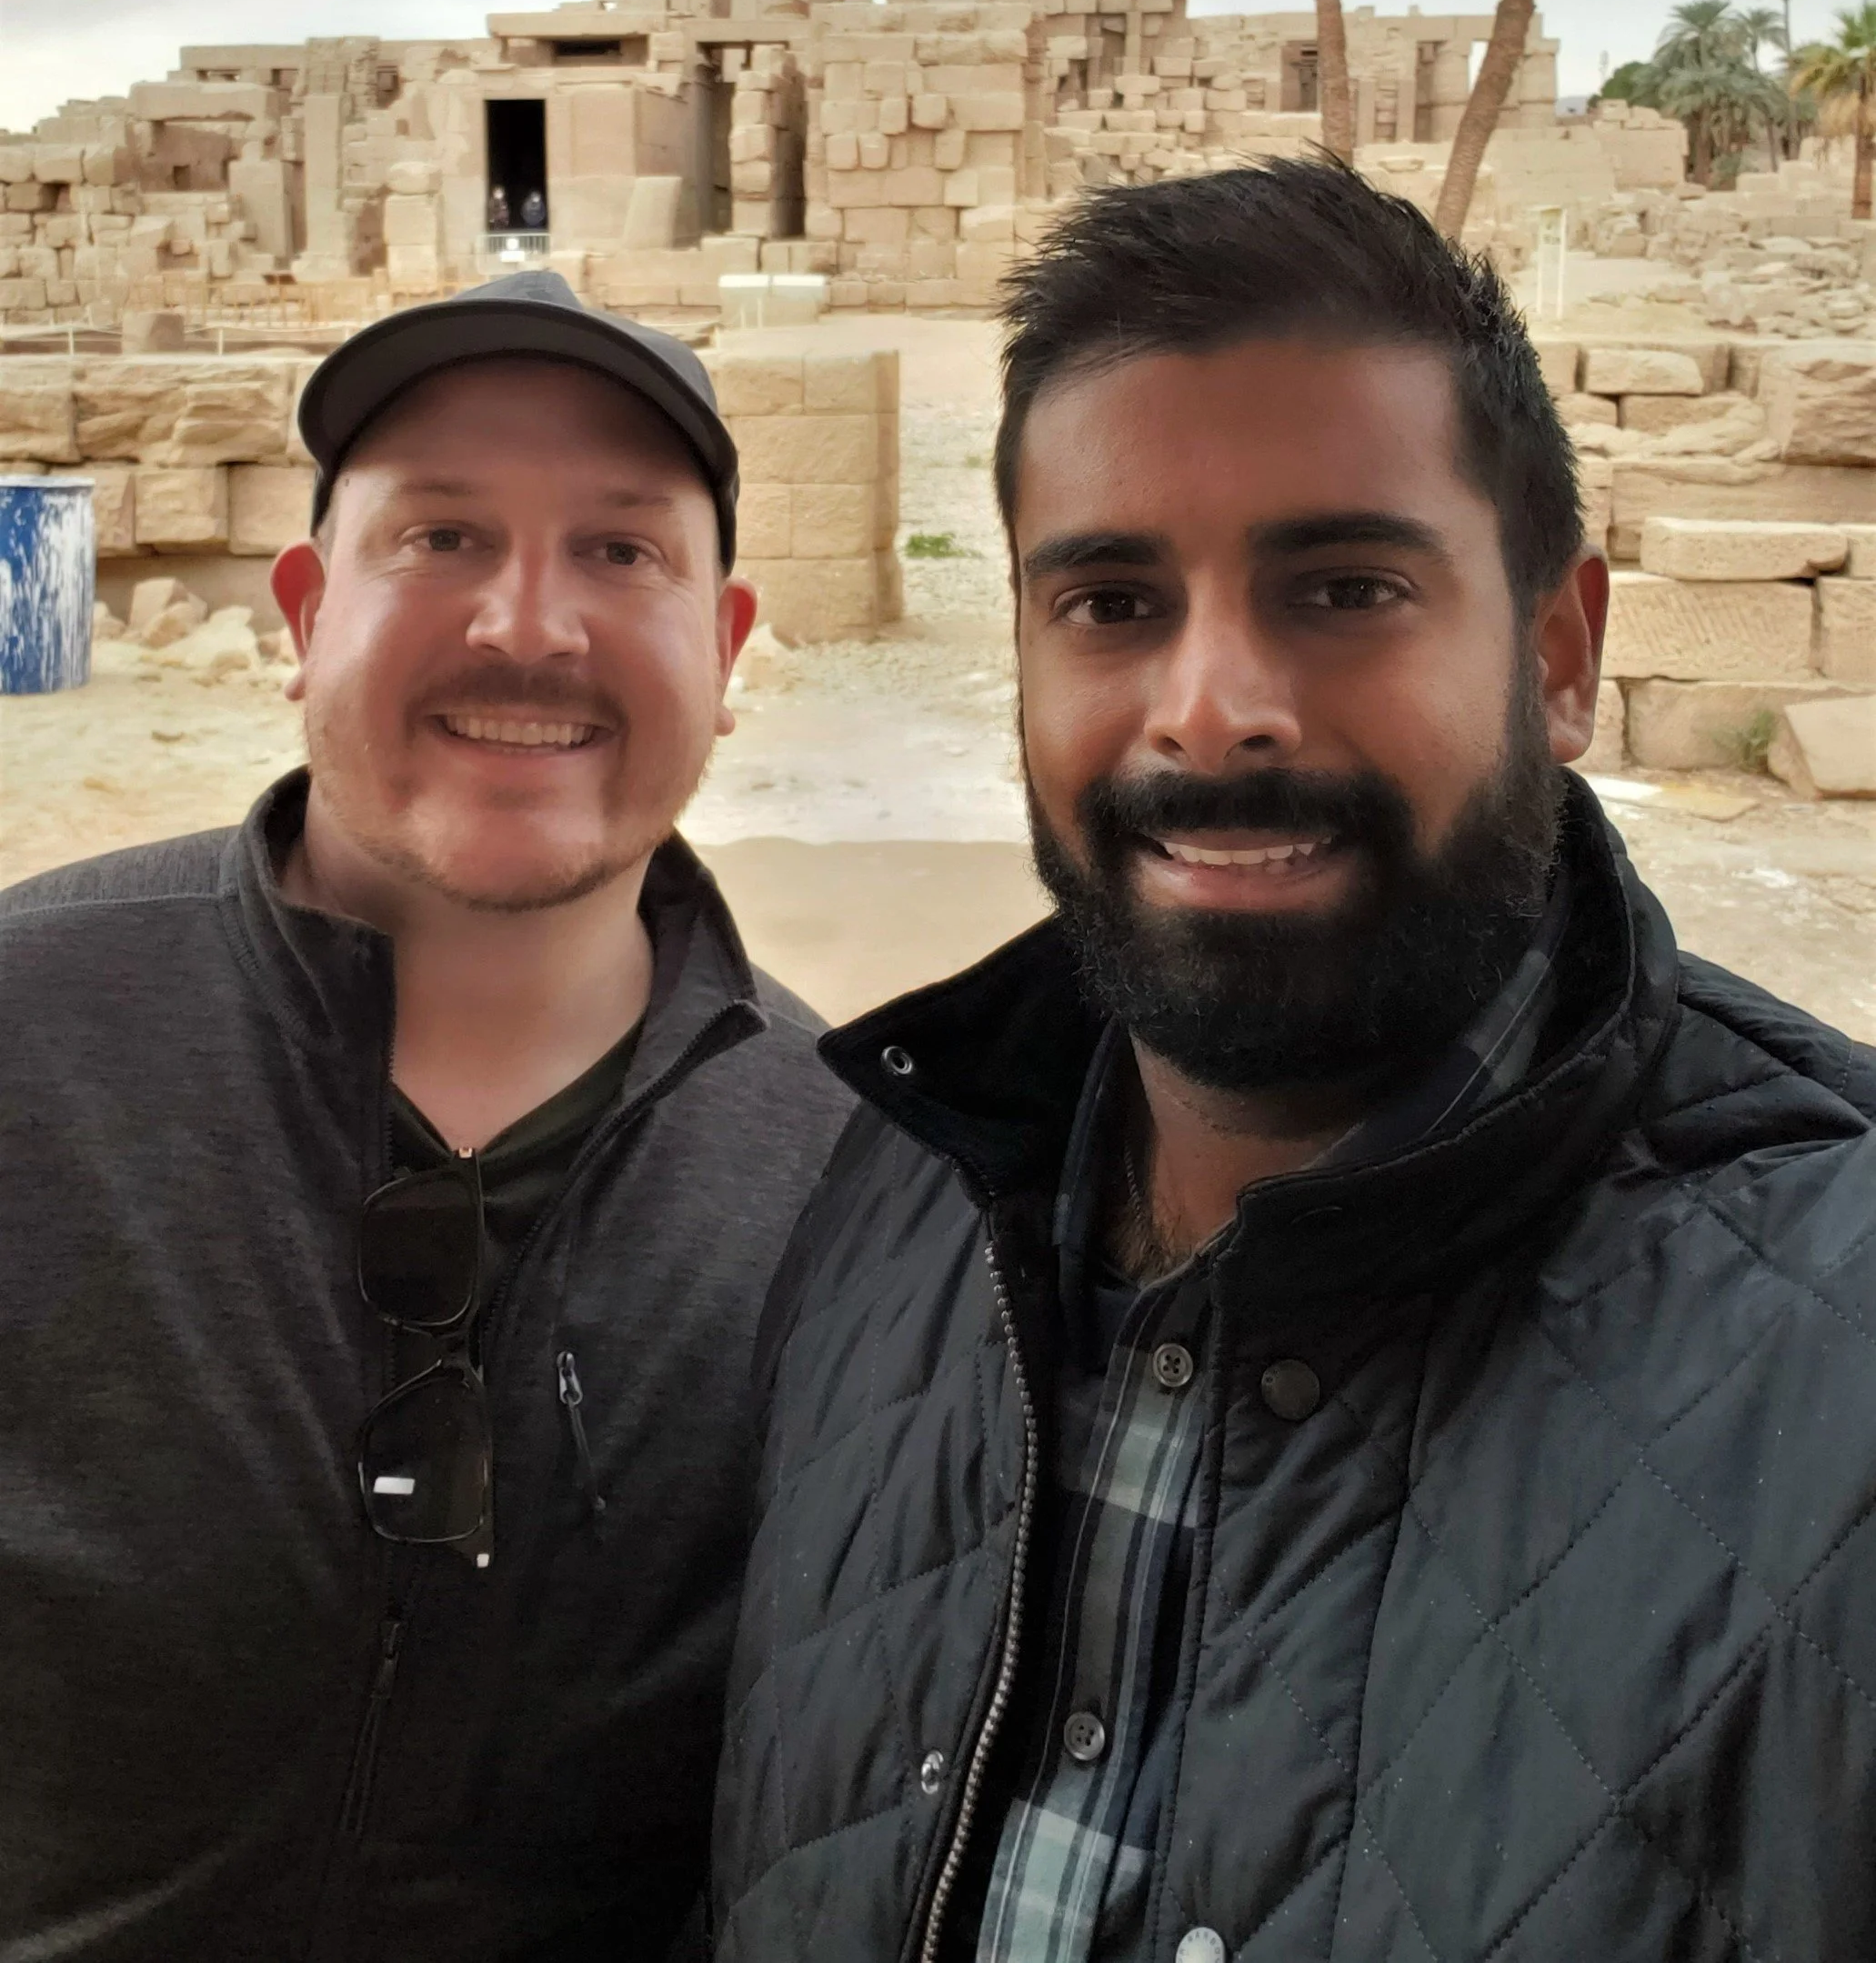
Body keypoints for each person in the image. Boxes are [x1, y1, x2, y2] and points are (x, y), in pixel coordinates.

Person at [713, 160, 1876, 1963]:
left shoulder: (1832, 1370)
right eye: (1110, 602)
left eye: (1341, 586)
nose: (1212, 708)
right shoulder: (891, 1199)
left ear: (1556, 657)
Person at [0, 269, 851, 1963]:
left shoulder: (853, 1189)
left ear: (725, 646)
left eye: (621, 550)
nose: (528, 624)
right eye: (442, 535)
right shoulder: (31, 1037)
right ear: (306, 609)